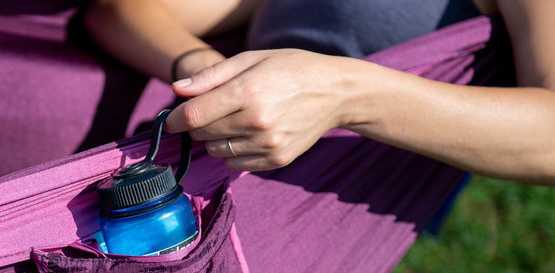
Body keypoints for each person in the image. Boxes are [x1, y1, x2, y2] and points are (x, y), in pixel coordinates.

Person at [82, 0, 555, 185]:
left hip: (319, 205)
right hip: (205, 176)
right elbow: (123, 12)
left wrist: (346, 96)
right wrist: (211, 73)